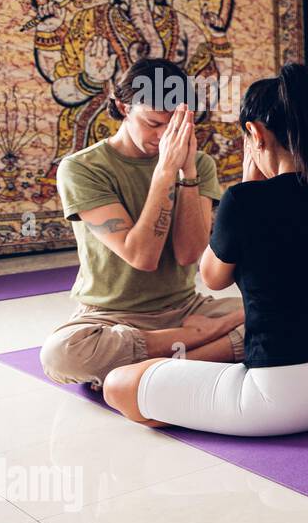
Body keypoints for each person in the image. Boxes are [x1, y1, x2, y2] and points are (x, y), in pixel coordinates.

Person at [102, 64, 308, 436]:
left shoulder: (242, 200)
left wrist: (246, 186)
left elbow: (211, 278)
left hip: (287, 398)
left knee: (118, 384)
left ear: (253, 133)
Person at [40, 58, 244, 389]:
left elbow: (189, 254)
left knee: (291, 310)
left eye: (174, 125)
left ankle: (164, 363)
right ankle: (200, 345)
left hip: (186, 307)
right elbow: (142, 257)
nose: (164, 137)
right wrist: (165, 171)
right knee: (61, 354)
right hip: (111, 315)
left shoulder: (199, 164)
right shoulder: (81, 168)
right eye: (152, 123)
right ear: (122, 106)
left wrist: (187, 174)